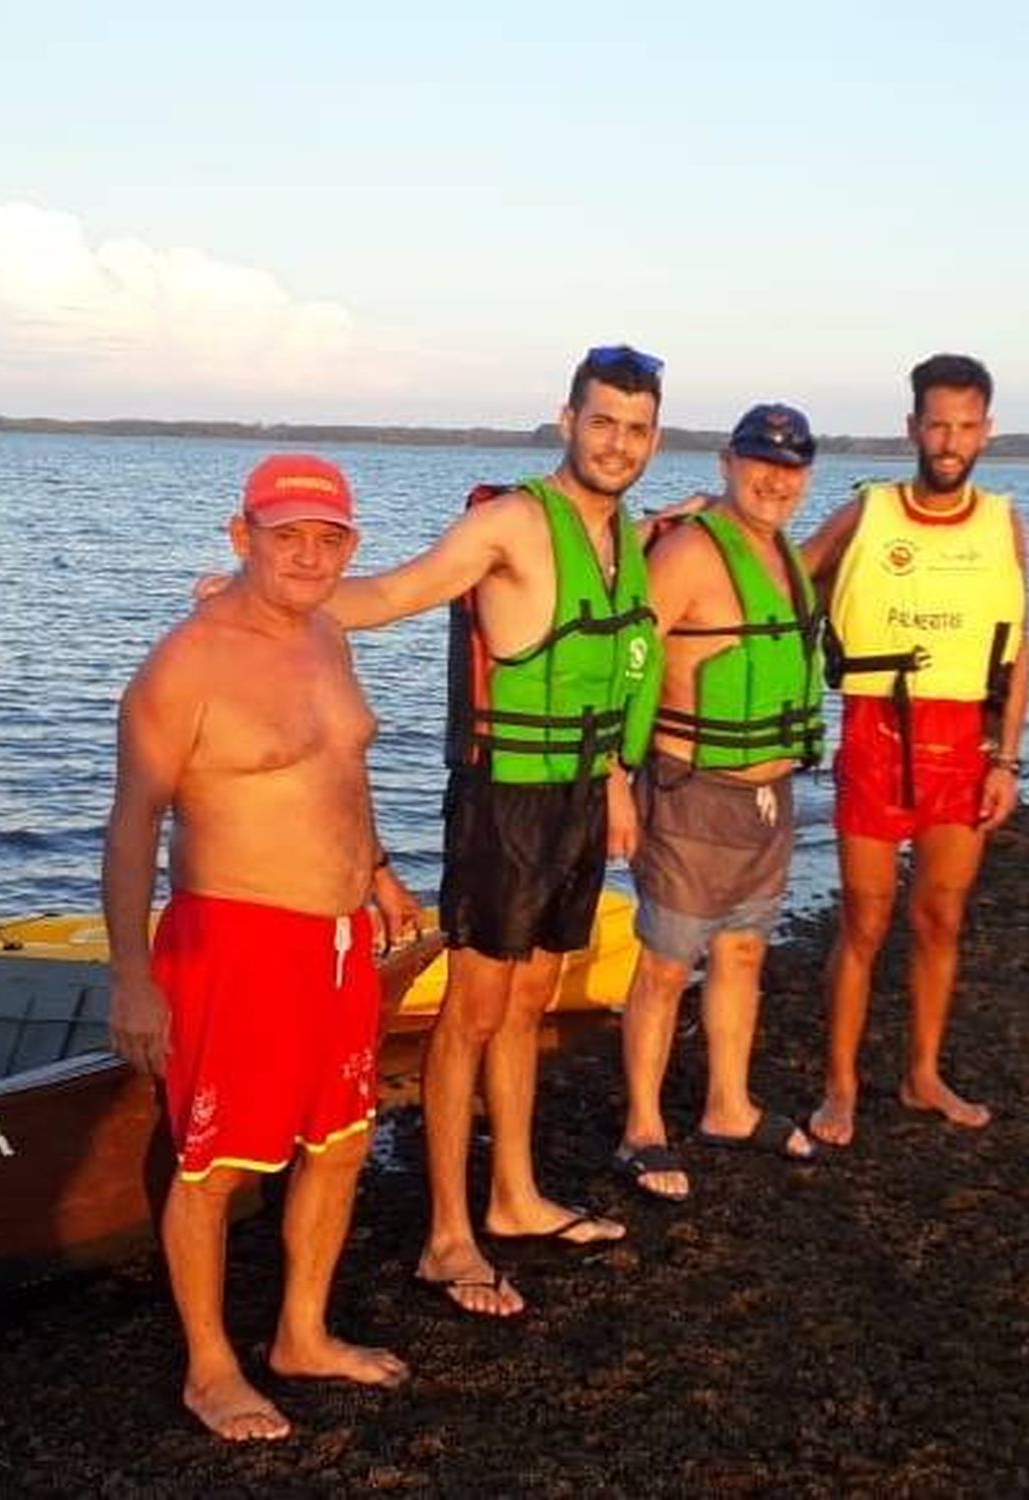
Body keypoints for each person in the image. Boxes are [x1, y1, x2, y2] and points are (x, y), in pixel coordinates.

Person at [316, 345, 665, 1316]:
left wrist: (617, 787)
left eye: (636, 429)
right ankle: (445, 1238)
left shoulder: (625, 539)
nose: (618, 443)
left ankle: (512, 1197)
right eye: (603, 422)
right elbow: (390, 595)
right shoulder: (511, 522)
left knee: (531, 1001)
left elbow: (607, 677)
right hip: (502, 802)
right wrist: (275, 598)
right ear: (567, 420)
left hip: (579, 801)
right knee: (472, 1011)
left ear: (653, 437)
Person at [103, 453, 421, 1441]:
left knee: (339, 1142)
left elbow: (340, 775)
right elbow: (130, 828)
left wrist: (376, 874)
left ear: (350, 548)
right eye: (287, 535)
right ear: (242, 537)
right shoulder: (186, 664)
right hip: (233, 940)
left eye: (329, 539)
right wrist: (131, 980)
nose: (309, 554)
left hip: (335, 942)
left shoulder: (329, 634)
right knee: (216, 1165)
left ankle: (302, 1334)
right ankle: (209, 1367)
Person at [803, 354, 1029, 1146]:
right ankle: (840, 1086)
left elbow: (1016, 647)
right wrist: (703, 529)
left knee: (939, 918)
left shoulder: (1003, 522)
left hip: (962, 743)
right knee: (864, 921)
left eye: (966, 426)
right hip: (876, 732)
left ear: (986, 431)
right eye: (937, 423)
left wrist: (1007, 759)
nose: (950, 439)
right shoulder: (867, 513)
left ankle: (921, 1074)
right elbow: (779, 581)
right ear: (912, 427)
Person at [614, 405, 826, 1201]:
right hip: (689, 792)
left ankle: (728, 1106)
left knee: (742, 954)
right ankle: (642, 1127)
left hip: (768, 796)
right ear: (726, 463)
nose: (775, 478)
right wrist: (611, 778)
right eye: (759, 461)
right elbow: (627, 659)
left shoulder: (784, 557)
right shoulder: (691, 551)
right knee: (668, 967)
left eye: (792, 465)